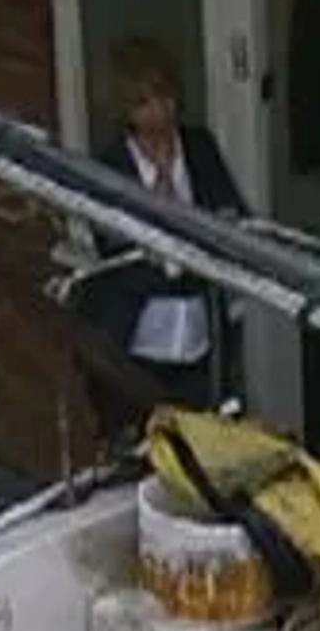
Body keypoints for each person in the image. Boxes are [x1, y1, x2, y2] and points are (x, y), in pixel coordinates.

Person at [75, 35, 249, 439]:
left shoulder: (199, 146)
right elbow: (118, 256)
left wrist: (212, 242)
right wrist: (185, 256)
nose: (161, 111)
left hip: (202, 345)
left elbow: (233, 217)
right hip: (137, 350)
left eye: (167, 96)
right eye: (146, 102)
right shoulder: (109, 169)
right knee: (145, 451)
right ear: (127, 110)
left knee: (207, 444)